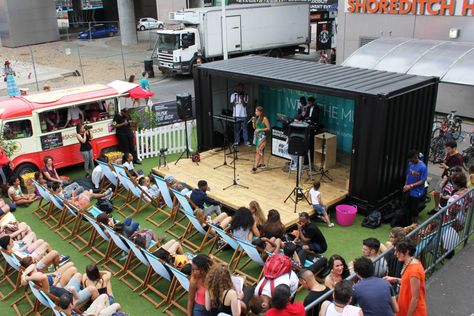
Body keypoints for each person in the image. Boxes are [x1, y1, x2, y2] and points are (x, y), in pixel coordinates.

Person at [385, 238, 427, 316]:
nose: (395, 253)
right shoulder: (410, 263)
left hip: (413, 312)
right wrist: (395, 279)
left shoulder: (414, 271)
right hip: (404, 308)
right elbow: (408, 282)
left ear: (407, 251)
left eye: (398, 251)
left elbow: (415, 298)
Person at [429, 141, 463, 215]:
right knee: (437, 192)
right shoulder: (449, 154)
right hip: (444, 176)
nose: (448, 151)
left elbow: (457, 171)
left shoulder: (459, 158)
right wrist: (444, 165)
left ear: (454, 148)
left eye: (449, 149)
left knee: (446, 196)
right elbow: (447, 162)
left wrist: (446, 167)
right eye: (447, 149)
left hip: (452, 180)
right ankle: (437, 208)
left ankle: (444, 211)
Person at [403, 150, 427, 224]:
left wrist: (411, 186)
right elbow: (408, 174)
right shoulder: (410, 163)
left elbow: (423, 180)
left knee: (414, 209)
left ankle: (415, 224)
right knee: (407, 206)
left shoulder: (423, 167)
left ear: (415, 157)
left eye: (411, 160)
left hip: (417, 191)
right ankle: (408, 222)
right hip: (408, 189)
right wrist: (406, 184)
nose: (411, 161)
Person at [251, 106, 271, 173]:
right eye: (255, 111)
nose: (255, 112)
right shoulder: (257, 118)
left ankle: (255, 167)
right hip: (257, 137)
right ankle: (262, 165)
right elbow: (254, 128)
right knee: (261, 151)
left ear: (260, 112)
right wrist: (253, 122)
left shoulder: (264, 118)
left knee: (258, 151)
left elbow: (268, 128)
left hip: (262, 137)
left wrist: (260, 129)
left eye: (256, 111)